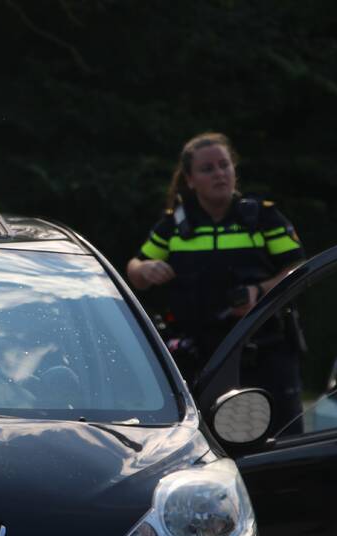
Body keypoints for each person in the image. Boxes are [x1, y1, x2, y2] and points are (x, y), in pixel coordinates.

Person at [126, 132, 305, 435]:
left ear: (235, 170)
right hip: (199, 358)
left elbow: (299, 269)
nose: (219, 174)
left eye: (225, 165)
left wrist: (259, 291)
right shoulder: (175, 226)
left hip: (265, 353)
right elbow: (134, 270)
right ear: (190, 179)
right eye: (208, 169)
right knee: (205, 442)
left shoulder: (262, 217)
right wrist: (147, 268)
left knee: (281, 445)